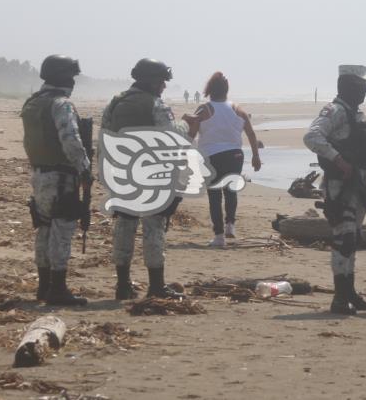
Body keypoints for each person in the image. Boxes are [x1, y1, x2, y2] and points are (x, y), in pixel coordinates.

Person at [102, 58, 192, 300]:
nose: (164, 85)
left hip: (122, 173)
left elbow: (105, 136)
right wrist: (187, 124)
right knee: (153, 228)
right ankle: (156, 286)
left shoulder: (115, 103)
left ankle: (122, 285)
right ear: (151, 81)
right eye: (162, 81)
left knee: (124, 227)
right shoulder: (157, 105)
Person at [304, 65, 366, 314]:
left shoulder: (357, 115)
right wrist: (338, 159)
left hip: (359, 187)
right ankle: (340, 298)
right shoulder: (335, 111)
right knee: (343, 240)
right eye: (362, 86)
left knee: (353, 240)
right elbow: (312, 137)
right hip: (341, 187)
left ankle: (350, 294)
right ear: (350, 87)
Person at [21, 55, 92, 306]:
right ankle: (58, 288)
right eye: (71, 77)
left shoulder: (33, 102)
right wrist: (85, 169)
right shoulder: (61, 104)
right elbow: (70, 140)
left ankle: (44, 286)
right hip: (61, 177)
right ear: (63, 78)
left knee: (44, 229)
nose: (73, 82)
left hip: (39, 174)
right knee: (61, 231)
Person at [187, 72, 262, 247]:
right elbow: (251, 133)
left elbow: (191, 133)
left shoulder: (203, 109)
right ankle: (230, 225)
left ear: (209, 90)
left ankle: (219, 237)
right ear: (226, 89)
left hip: (211, 157)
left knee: (214, 196)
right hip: (235, 155)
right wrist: (256, 156)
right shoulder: (238, 109)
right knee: (231, 191)